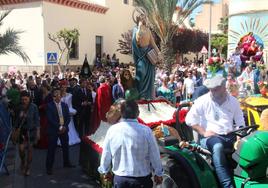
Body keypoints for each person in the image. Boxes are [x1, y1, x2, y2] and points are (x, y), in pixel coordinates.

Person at [185, 75, 245, 188]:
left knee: (250, 145)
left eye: (215, 89)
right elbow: (189, 119)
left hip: (229, 136)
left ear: (224, 87)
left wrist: (240, 136)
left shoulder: (233, 101)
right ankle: (227, 185)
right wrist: (203, 132)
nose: (212, 91)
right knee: (217, 147)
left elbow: (240, 120)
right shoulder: (202, 101)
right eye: (211, 89)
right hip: (210, 137)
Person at [98, 100, 163, 188]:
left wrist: (105, 171)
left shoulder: (112, 130)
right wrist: (158, 173)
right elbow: (154, 154)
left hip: (120, 180)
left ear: (121, 113)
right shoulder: (146, 131)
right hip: (142, 181)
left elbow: (106, 154)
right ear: (138, 113)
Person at [132, 7, 162, 100]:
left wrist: (159, 53)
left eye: (145, 17)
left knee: (150, 76)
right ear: (139, 18)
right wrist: (139, 28)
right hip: (141, 56)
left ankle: (148, 96)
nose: (145, 18)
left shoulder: (148, 30)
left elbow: (153, 44)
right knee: (142, 74)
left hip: (148, 56)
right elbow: (136, 42)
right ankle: (141, 95)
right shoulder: (136, 29)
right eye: (143, 17)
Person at [46, 88, 74, 175]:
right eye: (55, 96)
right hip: (54, 130)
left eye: (59, 95)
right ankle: (49, 167)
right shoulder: (49, 106)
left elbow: (68, 117)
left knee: (65, 147)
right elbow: (50, 119)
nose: (57, 97)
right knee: (52, 149)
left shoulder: (64, 105)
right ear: (53, 97)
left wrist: (64, 126)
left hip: (64, 129)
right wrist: (59, 127)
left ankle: (66, 163)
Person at [15, 91, 40, 176]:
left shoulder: (34, 107)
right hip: (22, 131)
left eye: (26, 99)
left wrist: (38, 133)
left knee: (30, 150)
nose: (24, 101)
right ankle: (22, 161)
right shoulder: (19, 107)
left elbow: (37, 121)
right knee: (21, 149)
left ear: (29, 99)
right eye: (22, 99)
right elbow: (16, 121)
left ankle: (28, 167)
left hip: (31, 131)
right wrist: (15, 130)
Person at [58, 80, 80, 145]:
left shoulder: (70, 95)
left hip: (68, 112)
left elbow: (70, 105)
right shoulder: (58, 95)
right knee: (62, 124)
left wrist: (69, 111)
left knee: (69, 125)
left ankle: (70, 138)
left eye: (65, 87)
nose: (64, 88)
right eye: (62, 87)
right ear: (60, 87)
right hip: (60, 113)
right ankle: (61, 138)